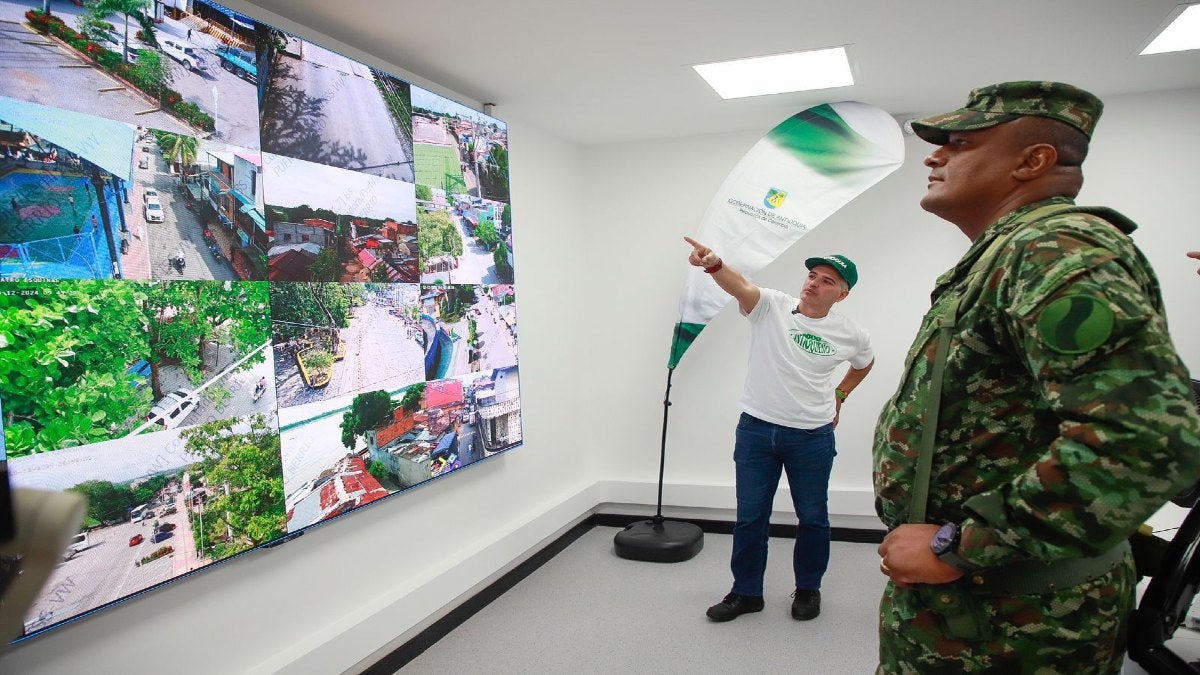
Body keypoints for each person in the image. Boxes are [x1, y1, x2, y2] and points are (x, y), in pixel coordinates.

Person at [872, 81, 1200, 673]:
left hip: (1015, 622)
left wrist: (960, 545)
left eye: (960, 142)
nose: (934, 154)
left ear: (1034, 161)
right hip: (978, 604)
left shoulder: (1053, 246)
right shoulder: (1005, 254)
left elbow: (1146, 441)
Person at [684, 236, 875, 623]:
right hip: (756, 430)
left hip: (811, 436)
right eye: (812, 275)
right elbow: (741, 287)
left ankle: (808, 588)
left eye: (826, 281)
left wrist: (840, 394)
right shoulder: (771, 306)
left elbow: (864, 363)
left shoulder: (851, 333)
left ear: (842, 294)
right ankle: (746, 592)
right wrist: (715, 264)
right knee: (751, 518)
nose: (813, 283)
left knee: (813, 517)